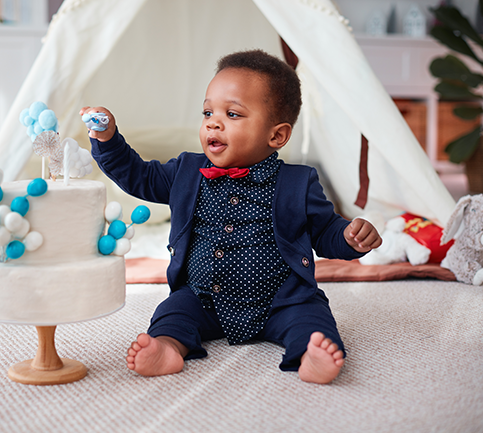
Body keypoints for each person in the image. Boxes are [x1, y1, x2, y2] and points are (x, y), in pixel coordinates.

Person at [81, 49, 382, 384]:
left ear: (277, 135)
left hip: (281, 300)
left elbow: (325, 231)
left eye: (233, 114)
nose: (213, 121)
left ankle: (309, 356)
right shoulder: (186, 171)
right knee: (173, 313)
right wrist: (107, 140)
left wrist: (350, 238)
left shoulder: (298, 182)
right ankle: (167, 348)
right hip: (203, 296)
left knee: (313, 319)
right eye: (208, 111)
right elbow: (139, 176)